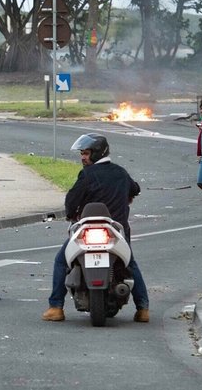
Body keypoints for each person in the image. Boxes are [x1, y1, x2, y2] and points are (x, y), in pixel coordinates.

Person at [42, 133, 150, 323]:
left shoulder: (87, 175)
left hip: (87, 232)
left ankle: (56, 307)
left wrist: (70, 215)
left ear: (98, 153)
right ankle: (143, 309)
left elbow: (71, 200)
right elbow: (135, 189)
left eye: (86, 153)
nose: (83, 157)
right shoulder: (120, 172)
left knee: (62, 262)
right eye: (82, 153)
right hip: (116, 232)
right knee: (129, 265)